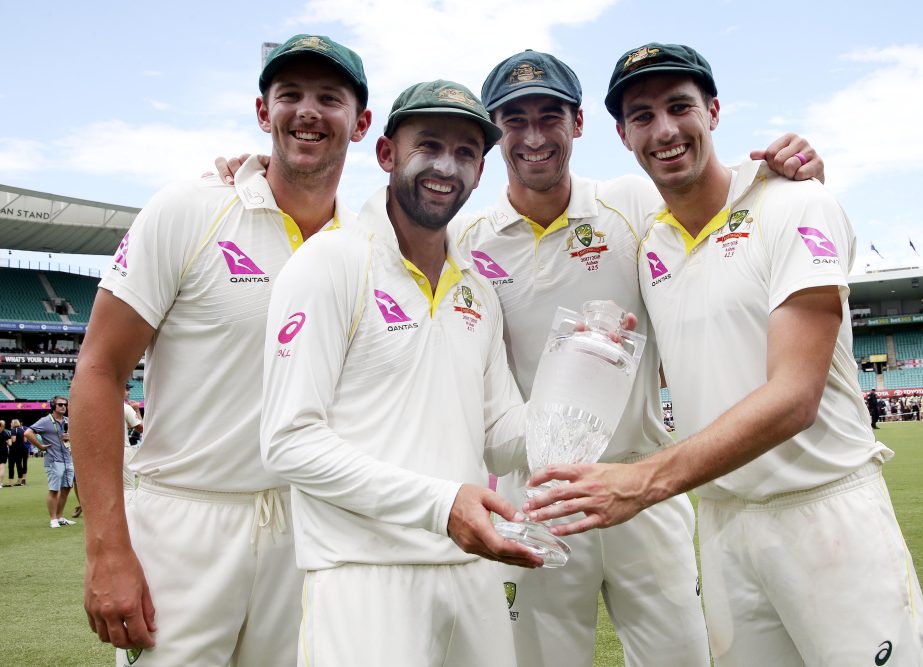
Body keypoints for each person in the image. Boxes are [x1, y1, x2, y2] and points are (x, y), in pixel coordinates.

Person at [525, 43, 923, 666]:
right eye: (641, 116)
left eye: (679, 106)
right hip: (724, 522)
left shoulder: (795, 203)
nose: (664, 130)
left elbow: (794, 397)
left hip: (823, 512)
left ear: (712, 111)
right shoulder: (651, 240)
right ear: (622, 134)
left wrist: (643, 481)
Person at [451, 49, 825, 667]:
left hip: (643, 486)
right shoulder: (467, 239)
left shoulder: (632, 201)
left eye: (551, 116)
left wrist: (800, 169)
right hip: (536, 493)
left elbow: (731, 203)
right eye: (515, 121)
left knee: (682, 657)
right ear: (495, 133)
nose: (535, 137)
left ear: (578, 123)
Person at [68, 34, 372, 666]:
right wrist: (106, 548)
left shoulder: (370, 246)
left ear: (361, 123)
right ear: (263, 114)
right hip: (185, 523)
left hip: (308, 529)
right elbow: (99, 369)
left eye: (329, 98)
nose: (308, 112)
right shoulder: (189, 210)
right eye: (289, 95)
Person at [261, 79, 542, 667]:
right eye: (429, 145)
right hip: (365, 577)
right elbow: (288, 443)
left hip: (472, 573)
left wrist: (584, 378)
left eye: (467, 153)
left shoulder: (477, 289)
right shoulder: (331, 262)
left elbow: (501, 439)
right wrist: (440, 504)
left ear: (481, 170)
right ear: (387, 154)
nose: (447, 166)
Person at [24, 397, 76, 527]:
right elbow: (28, 433)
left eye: (65, 404)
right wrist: (40, 446)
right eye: (60, 404)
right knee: (54, 490)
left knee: (67, 488)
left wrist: (70, 437)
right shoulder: (45, 421)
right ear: (53, 405)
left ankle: (60, 517)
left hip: (67, 459)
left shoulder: (67, 421)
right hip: (53, 460)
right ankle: (53, 519)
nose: (63, 407)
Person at [122, 383, 143, 490]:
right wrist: (137, 410)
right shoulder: (126, 407)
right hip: (122, 451)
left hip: (102, 452)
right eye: (126, 389)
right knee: (128, 488)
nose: (129, 392)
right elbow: (142, 428)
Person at [7, 419, 28, 485]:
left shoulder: (13, 430)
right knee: (19, 465)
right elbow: (25, 440)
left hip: (14, 450)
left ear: (13, 424)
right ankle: (20, 481)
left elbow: (13, 440)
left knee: (11, 466)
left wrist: (7, 440)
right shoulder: (23, 430)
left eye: (11, 423)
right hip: (22, 449)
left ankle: (10, 482)